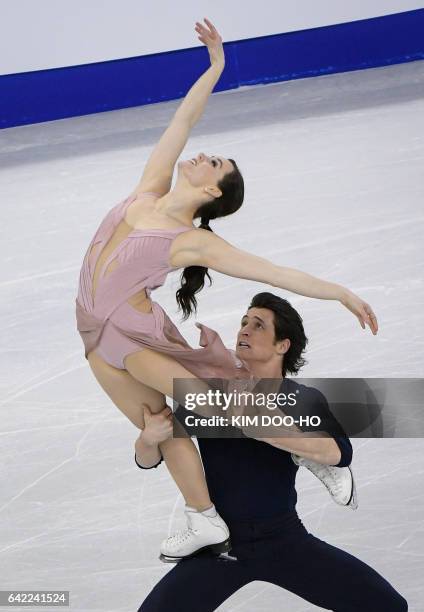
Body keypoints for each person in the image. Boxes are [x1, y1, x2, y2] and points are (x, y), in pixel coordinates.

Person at [75, 18, 378, 559]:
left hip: (133, 335)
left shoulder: (191, 242)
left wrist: (337, 291)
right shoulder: (150, 188)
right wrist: (215, 67)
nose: (202, 156)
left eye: (213, 162)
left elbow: (274, 273)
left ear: (212, 189)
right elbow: (182, 120)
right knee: (161, 426)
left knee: (218, 408)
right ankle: (204, 518)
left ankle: (321, 455)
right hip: (93, 334)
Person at [136, 293, 407, 612]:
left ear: (283, 345)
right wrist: (149, 439)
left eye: (259, 325)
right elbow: (149, 459)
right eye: (244, 322)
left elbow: (339, 453)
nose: (244, 330)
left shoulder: (301, 399)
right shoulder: (210, 394)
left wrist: (267, 428)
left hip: (284, 540)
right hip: (223, 548)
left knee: (387, 605)